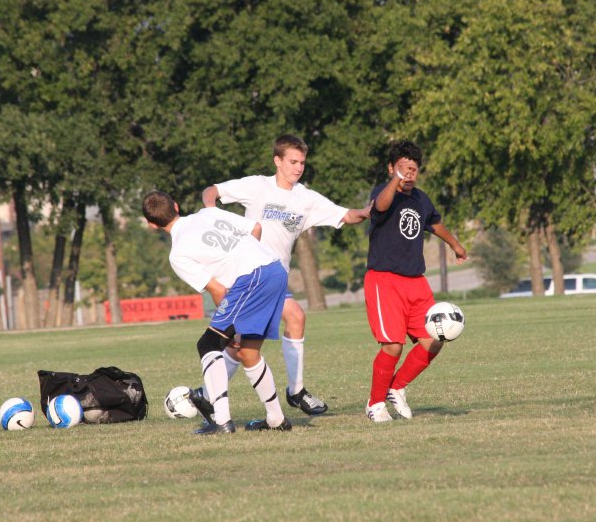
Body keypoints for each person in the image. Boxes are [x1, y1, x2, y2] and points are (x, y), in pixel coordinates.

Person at [201, 134, 371, 415]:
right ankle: (287, 393)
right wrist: (211, 210)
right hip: (247, 276)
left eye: (302, 162)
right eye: (293, 161)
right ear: (277, 161)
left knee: (248, 340)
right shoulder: (257, 186)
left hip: (274, 280)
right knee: (244, 342)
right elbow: (212, 190)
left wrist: (367, 211)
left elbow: (345, 215)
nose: (298, 167)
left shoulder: (306, 198)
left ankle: (211, 394)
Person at [142, 190, 293, 435]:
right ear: (176, 205)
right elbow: (255, 227)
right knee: (246, 351)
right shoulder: (207, 213)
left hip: (252, 279)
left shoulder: (178, 253)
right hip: (275, 270)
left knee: (209, 343)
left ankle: (221, 421)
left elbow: (218, 290)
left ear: (151, 224)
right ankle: (276, 419)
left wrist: (229, 324)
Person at [363, 140, 467, 422]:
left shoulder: (421, 199)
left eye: (413, 169)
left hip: (415, 281)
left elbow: (434, 223)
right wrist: (394, 182)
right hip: (384, 279)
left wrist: (455, 245)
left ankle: (396, 388)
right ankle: (375, 404)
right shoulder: (382, 193)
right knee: (393, 346)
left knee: (435, 338)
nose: (409, 174)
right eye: (402, 168)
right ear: (391, 168)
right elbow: (380, 207)